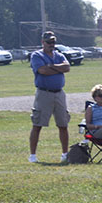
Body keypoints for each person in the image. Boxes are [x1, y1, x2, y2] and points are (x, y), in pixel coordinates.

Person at [28, 31, 71, 163]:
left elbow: (67, 67)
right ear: (43, 42)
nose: (51, 44)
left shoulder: (59, 55)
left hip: (59, 93)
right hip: (44, 93)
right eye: (49, 42)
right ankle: (33, 156)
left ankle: (65, 154)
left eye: (53, 42)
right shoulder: (37, 55)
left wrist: (51, 66)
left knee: (63, 124)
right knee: (37, 124)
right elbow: (42, 71)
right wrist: (58, 68)